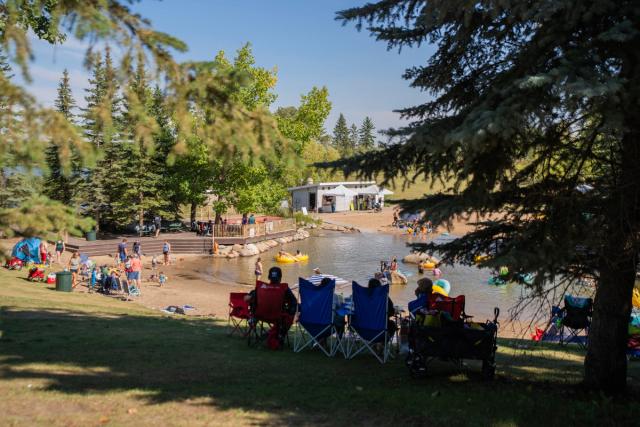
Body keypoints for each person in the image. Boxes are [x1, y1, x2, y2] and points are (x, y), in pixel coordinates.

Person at [245, 267, 298, 344]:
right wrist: (290, 310)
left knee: (254, 304)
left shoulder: (261, 287)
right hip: (277, 317)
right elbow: (293, 302)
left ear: (269, 277)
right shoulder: (284, 288)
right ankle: (280, 335)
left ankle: (255, 321)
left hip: (260, 315)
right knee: (292, 311)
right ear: (280, 278)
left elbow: (247, 298)